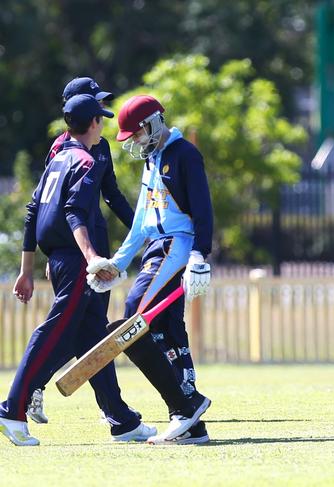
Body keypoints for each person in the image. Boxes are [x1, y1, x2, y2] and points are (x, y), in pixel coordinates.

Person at [0, 94, 155, 446]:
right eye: (101, 118)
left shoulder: (60, 156)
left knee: (91, 337)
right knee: (56, 330)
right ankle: (12, 409)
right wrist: (93, 259)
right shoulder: (84, 160)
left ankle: (122, 421)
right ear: (94, 123)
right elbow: (73, 212)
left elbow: (36, 209)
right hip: (76, 259)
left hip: (63, 256)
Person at [87, 94, 213, 444]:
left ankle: (186, 406)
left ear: (155, 123)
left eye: (139, 133)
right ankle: (191, 422)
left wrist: (201, 255)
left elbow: (203, 209)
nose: (137, 141)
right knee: (166, 327)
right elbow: (141, 222)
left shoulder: (184, 154)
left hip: (177, 245)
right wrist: (118, 263)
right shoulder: (152, 159)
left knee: (134, 319)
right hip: (156, 248)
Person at [27, 76, 136, 426]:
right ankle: (29, 388)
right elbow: (47, 207)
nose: (101, 113)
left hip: (96, 248)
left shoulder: (101, 147)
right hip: (76, 252)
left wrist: (142, 229)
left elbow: (113, 195)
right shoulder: (62, 150)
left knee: (91, 329)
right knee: (77, 329)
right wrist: (53, 252)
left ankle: (113, 411)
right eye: (94, 104)